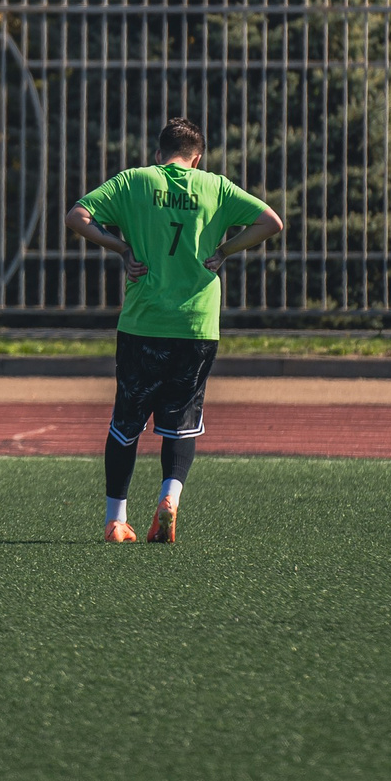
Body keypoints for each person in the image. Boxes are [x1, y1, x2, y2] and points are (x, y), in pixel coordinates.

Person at [64, 117, 285, 544]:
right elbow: (271, 222)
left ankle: (116, 520)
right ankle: (170, 497)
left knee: (125, 422)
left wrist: (120, 247)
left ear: (158, 153)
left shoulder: (135, 181)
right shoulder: (214, 187)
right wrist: (225, 250)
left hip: (143, 322)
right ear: (196, 158)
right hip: (197, 326)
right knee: (182, 421)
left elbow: (77, 216)